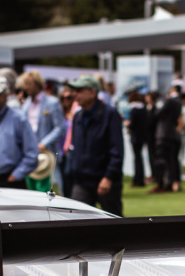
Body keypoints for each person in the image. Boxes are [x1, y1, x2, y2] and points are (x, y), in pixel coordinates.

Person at [64, 75, 124, 214]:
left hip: (105, 180)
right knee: (76, 220)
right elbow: (76, 147)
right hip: (82, 181)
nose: (75, 94)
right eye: (74, 91)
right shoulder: (78, 116)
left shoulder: (110, 114)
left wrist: (109, 177)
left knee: (113, 221)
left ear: (92, 92)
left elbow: (117, 150)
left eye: (79, 90)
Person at [18, 70, 67, 192]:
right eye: (25, 84)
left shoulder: (52, 102)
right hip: (30, 153)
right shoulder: (26, 105)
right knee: (32, 189)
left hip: (48, 154)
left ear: (37, 84)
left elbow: (60, 127)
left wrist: (44, 143)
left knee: (49, 190)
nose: (26, 87)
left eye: (29, 84)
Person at [125, 90, 152, 188]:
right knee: (140, 158)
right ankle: (140, 178)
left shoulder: (133, 110)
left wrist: (127, 125)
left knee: (137, 158)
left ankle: (138, 179)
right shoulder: (143, 109)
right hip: (143, 136)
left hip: (136, 137)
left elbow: (132, 124)